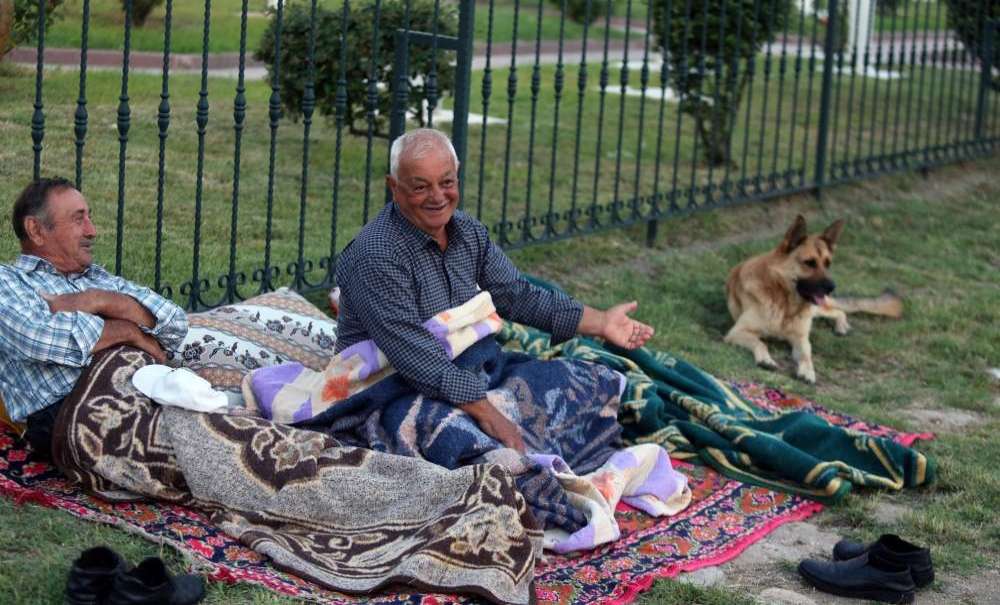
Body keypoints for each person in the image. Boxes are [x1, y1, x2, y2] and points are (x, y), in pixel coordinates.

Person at [334, 128, 654, 453]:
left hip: (475, 370)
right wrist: (488, 412)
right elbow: (412, 352)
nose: (437, 197)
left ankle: (531, 447)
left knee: (592, 383)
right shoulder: (375, 254)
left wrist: (601, 322)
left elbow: (517, 295)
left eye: (446, 183)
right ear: (394, 188)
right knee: (460, 438)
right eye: (420, 187)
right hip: (394, 387)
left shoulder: (468, 232)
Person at [0, 177, 188, 460]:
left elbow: (175, 324)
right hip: (74, 411)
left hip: (147, 388)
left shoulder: (96, 280)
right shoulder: (9, 281)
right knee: (199, 447)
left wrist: (98, 300)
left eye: (89, 218)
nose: (92, 230)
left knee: (230, 408)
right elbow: (39, 338)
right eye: (78, 219)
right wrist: (128, 330)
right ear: (36, 230)